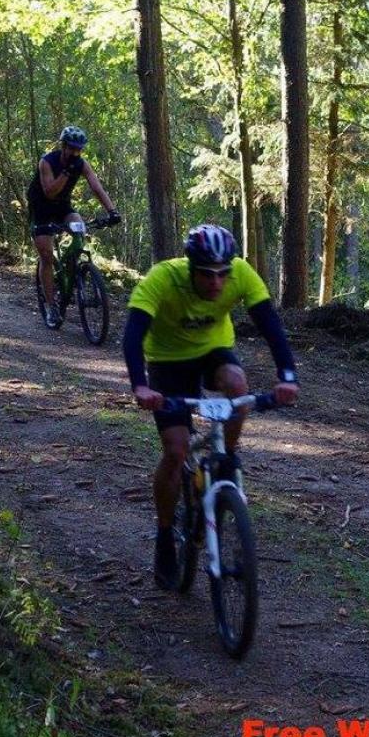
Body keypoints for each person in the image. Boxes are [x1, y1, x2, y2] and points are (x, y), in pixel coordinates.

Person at [123, 224, 300, 590]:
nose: (216, 283)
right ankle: (164, 534)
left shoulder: (241, 273)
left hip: (213, 352)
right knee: (176, 451)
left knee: (238, 386)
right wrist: (140, 385)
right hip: (168, 362)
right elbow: (133, 335)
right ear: (191, 268)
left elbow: (270, 325)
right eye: (206, 274)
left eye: (222, 274)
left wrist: (287, 377)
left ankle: (227, 458)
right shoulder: (163, 278)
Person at [27, 125, 120, 327]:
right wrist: (66, 172)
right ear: (63, 146)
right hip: (41, 208)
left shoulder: (81, 164)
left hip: (63, 207)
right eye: (71, 148)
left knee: (80, 230)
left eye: (79, 149)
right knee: (46, 255)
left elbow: (96, 187)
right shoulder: (47, 162)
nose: (75, 153)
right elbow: (50, 192)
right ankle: (52, 307)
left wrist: (112, 211)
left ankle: (72, 273)